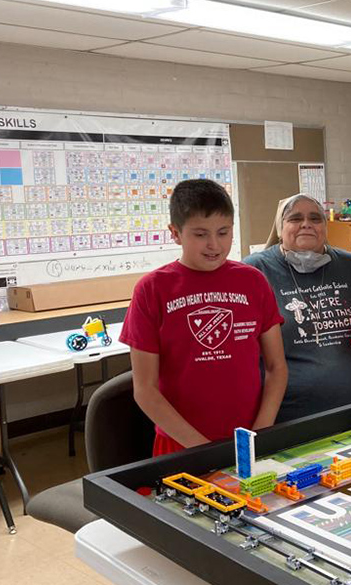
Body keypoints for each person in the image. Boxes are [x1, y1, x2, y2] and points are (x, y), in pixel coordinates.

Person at [121, 179, 288, 456]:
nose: (214, 244)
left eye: (223, 232)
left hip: (248, 439)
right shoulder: (152, 290)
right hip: (181, 445)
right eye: (200, 234)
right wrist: (202, 450)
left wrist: (259, 434)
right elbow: (145, 390)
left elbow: (276, 367)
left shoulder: (253, 281)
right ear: (175, 233)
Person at [244, 194, 351, 423]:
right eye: (295, 218)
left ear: (325, 227)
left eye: (315, 218)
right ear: (280, 227)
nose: (306, 224)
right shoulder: (254, 272)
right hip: (285, 419)